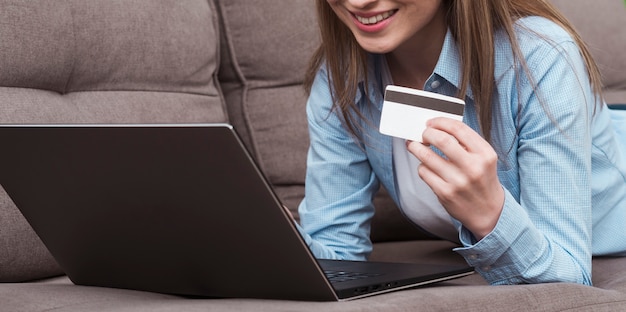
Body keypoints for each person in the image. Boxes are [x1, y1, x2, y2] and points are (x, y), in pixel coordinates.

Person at [296, 0, 626, 285]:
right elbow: (335, 260)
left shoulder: (542, 55)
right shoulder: (340, 75)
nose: (359, 2)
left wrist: (490, 215)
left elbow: (569, 279)